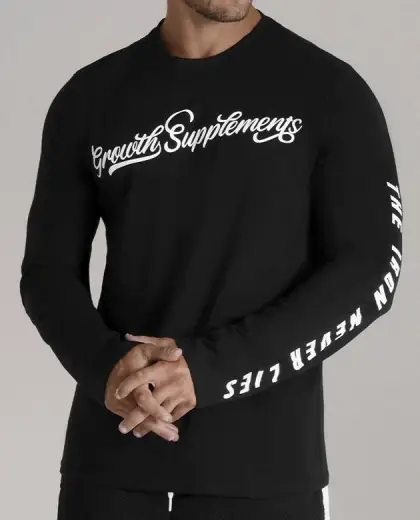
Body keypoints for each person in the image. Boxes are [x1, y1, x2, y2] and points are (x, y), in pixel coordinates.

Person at [20, 1, 404, 519]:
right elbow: (46, 274)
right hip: (110, 465)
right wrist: (102, 366)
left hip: (263, 473)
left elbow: (371, 268)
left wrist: (210, 369)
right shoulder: (91, 96)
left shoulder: (329, 91)